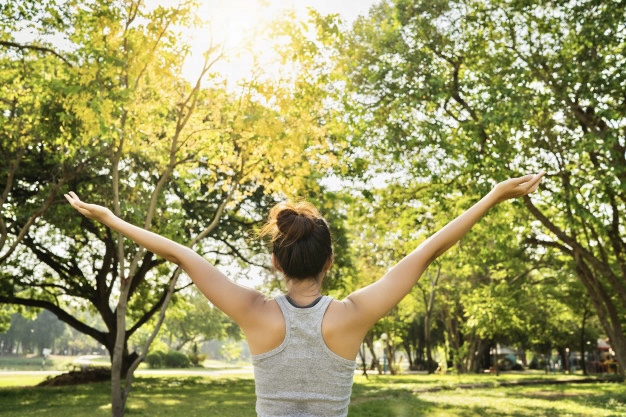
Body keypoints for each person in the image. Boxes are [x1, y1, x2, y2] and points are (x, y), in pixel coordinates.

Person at [64, 171, 544, 417]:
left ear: (276, 262)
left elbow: (183, 255)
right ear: (329, 263)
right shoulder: (352, 315)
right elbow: (426, 252)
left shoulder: (254, 313)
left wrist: (112, 220)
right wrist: (493, 196)